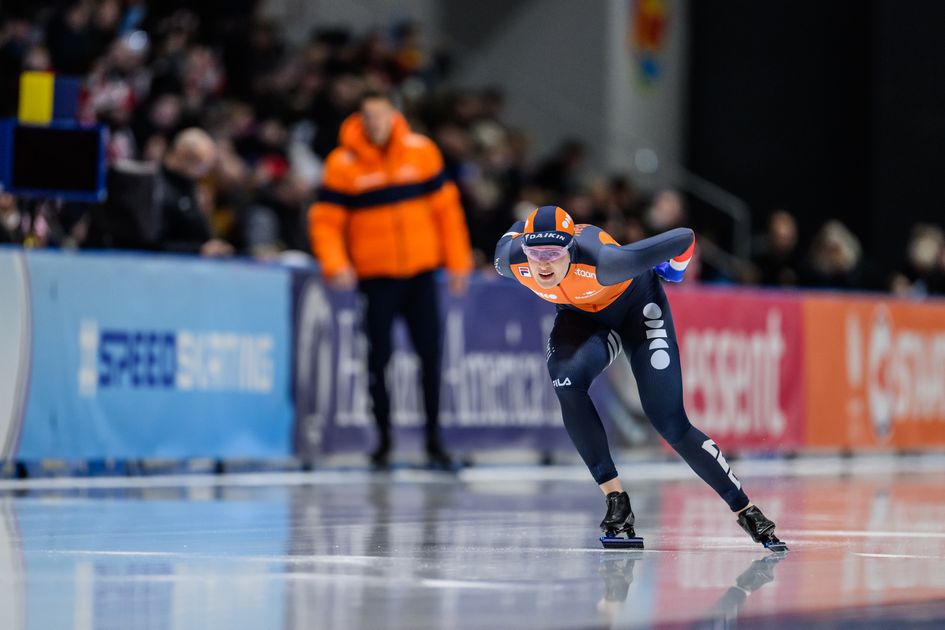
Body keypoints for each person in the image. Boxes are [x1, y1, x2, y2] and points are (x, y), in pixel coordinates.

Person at [493, 205, 786, 550]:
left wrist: (675, 272)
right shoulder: (510, 261)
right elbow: (512, 231)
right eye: (535, 253)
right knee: (565, 380)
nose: (543, 264)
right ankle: (616, 500)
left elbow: (684, 239)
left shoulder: (605, 261)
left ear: (570, 249)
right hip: (583, 319)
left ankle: (745, 508)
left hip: (638, 311)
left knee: (669, 423)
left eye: (554, 254)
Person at [309, 90, 473, 469]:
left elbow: (447, 212)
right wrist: (336, 264)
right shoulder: (342, 164)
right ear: (360, 119)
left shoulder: (422, 152)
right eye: (368, 116)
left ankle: (434, 441)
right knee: (377, 359)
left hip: (420, 275)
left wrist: (458, 263)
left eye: (381, 115)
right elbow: (326, 223)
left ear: (393, 116)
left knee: (430, 357)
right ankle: (382, 442)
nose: (375, 123)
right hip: (375, 278)